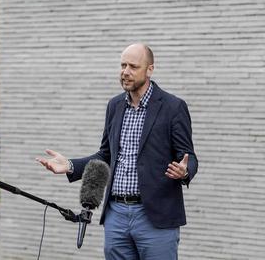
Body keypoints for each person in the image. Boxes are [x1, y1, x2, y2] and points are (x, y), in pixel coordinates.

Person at [37, 43, 198, 260]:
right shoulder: (115, 106)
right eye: (123, 65)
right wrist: (71, 165)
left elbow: (188, 156)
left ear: (149, 69)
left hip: (154, 216)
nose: (125, 72)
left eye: (133, 66)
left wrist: (185, 171)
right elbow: (106, 155)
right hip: (116, 215)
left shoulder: (173, 107)